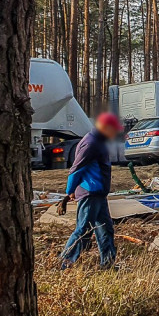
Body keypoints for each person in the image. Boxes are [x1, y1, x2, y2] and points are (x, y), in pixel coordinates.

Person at [58, 112, 123, 269]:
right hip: (90, 194)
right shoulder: (91, 143)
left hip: (98, 194)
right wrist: (69, 192)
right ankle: (63, 264)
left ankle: (108, 264)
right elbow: (76, 169)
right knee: (83, 230)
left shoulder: (97, 141)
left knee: (105, 229)